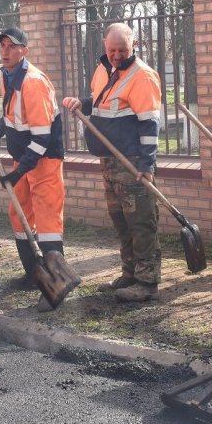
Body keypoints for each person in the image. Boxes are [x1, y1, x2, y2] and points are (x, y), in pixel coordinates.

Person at [62, 22, 163, 303]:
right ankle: (129, 273)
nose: (116, 55)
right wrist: (81, 103)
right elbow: (101, 101)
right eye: (111, 49)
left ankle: (147, 281)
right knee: (121, 221)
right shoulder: (104, 68)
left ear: (134, 46)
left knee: (141, 222)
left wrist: (146, 165)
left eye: (122, 50)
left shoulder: (142, 76)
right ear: (104, 45)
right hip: (108, 161)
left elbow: (150, 125)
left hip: (131, 163)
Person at [0, 27, 66, 310]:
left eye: (11, 46)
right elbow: (12, 116)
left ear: (24, 51)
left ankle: (56, 284)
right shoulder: (9, 77)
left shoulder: (33, 82)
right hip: (24, 160)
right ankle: (33, 275)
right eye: (2, 46)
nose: (5, 51)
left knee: (47, 222)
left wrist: (19, 172)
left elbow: (42, 138)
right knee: (19, 215)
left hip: (44, 162)